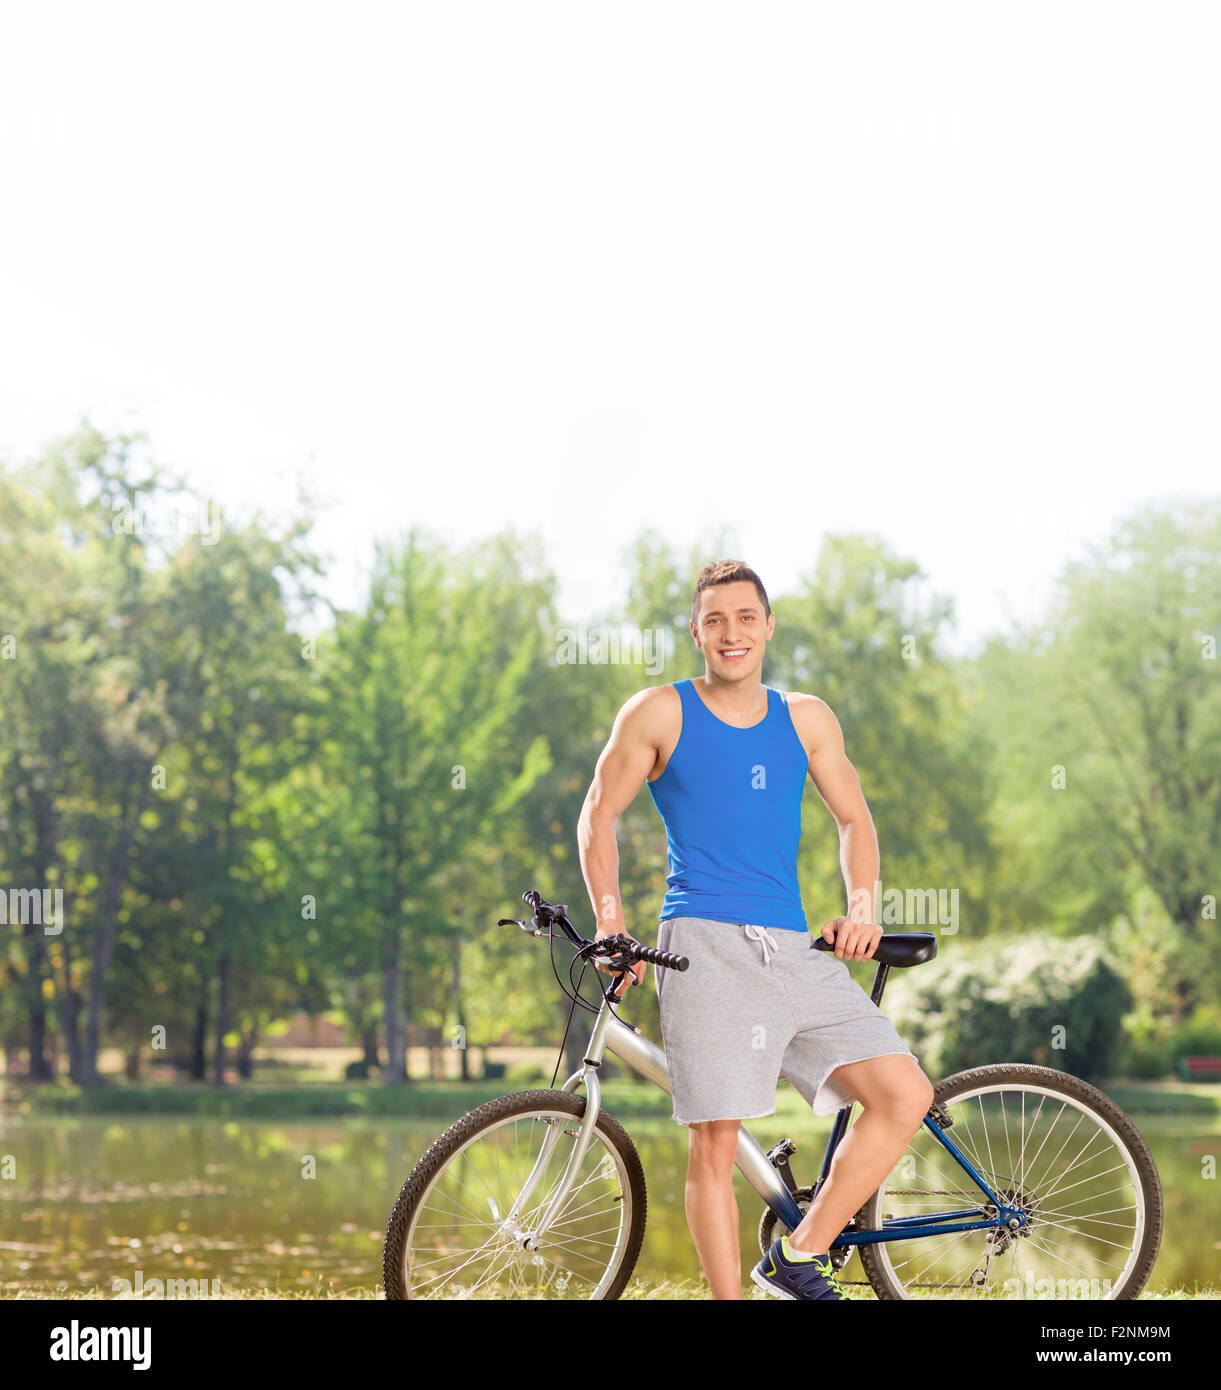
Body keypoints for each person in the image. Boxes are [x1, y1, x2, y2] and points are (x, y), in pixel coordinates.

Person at [576, 559, 935, 1301]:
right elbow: (597, 817)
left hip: (795, 948)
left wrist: (860, 908)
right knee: (714, 1144)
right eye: (714, 620)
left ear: (767, 626)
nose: (730, 633)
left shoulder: (805, 717)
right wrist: (612, 923)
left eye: (745, 617)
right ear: (696, 632)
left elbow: (852, 817)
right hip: (701, 944)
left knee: (903, 1095)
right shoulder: (657, 713)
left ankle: (798, 1257)